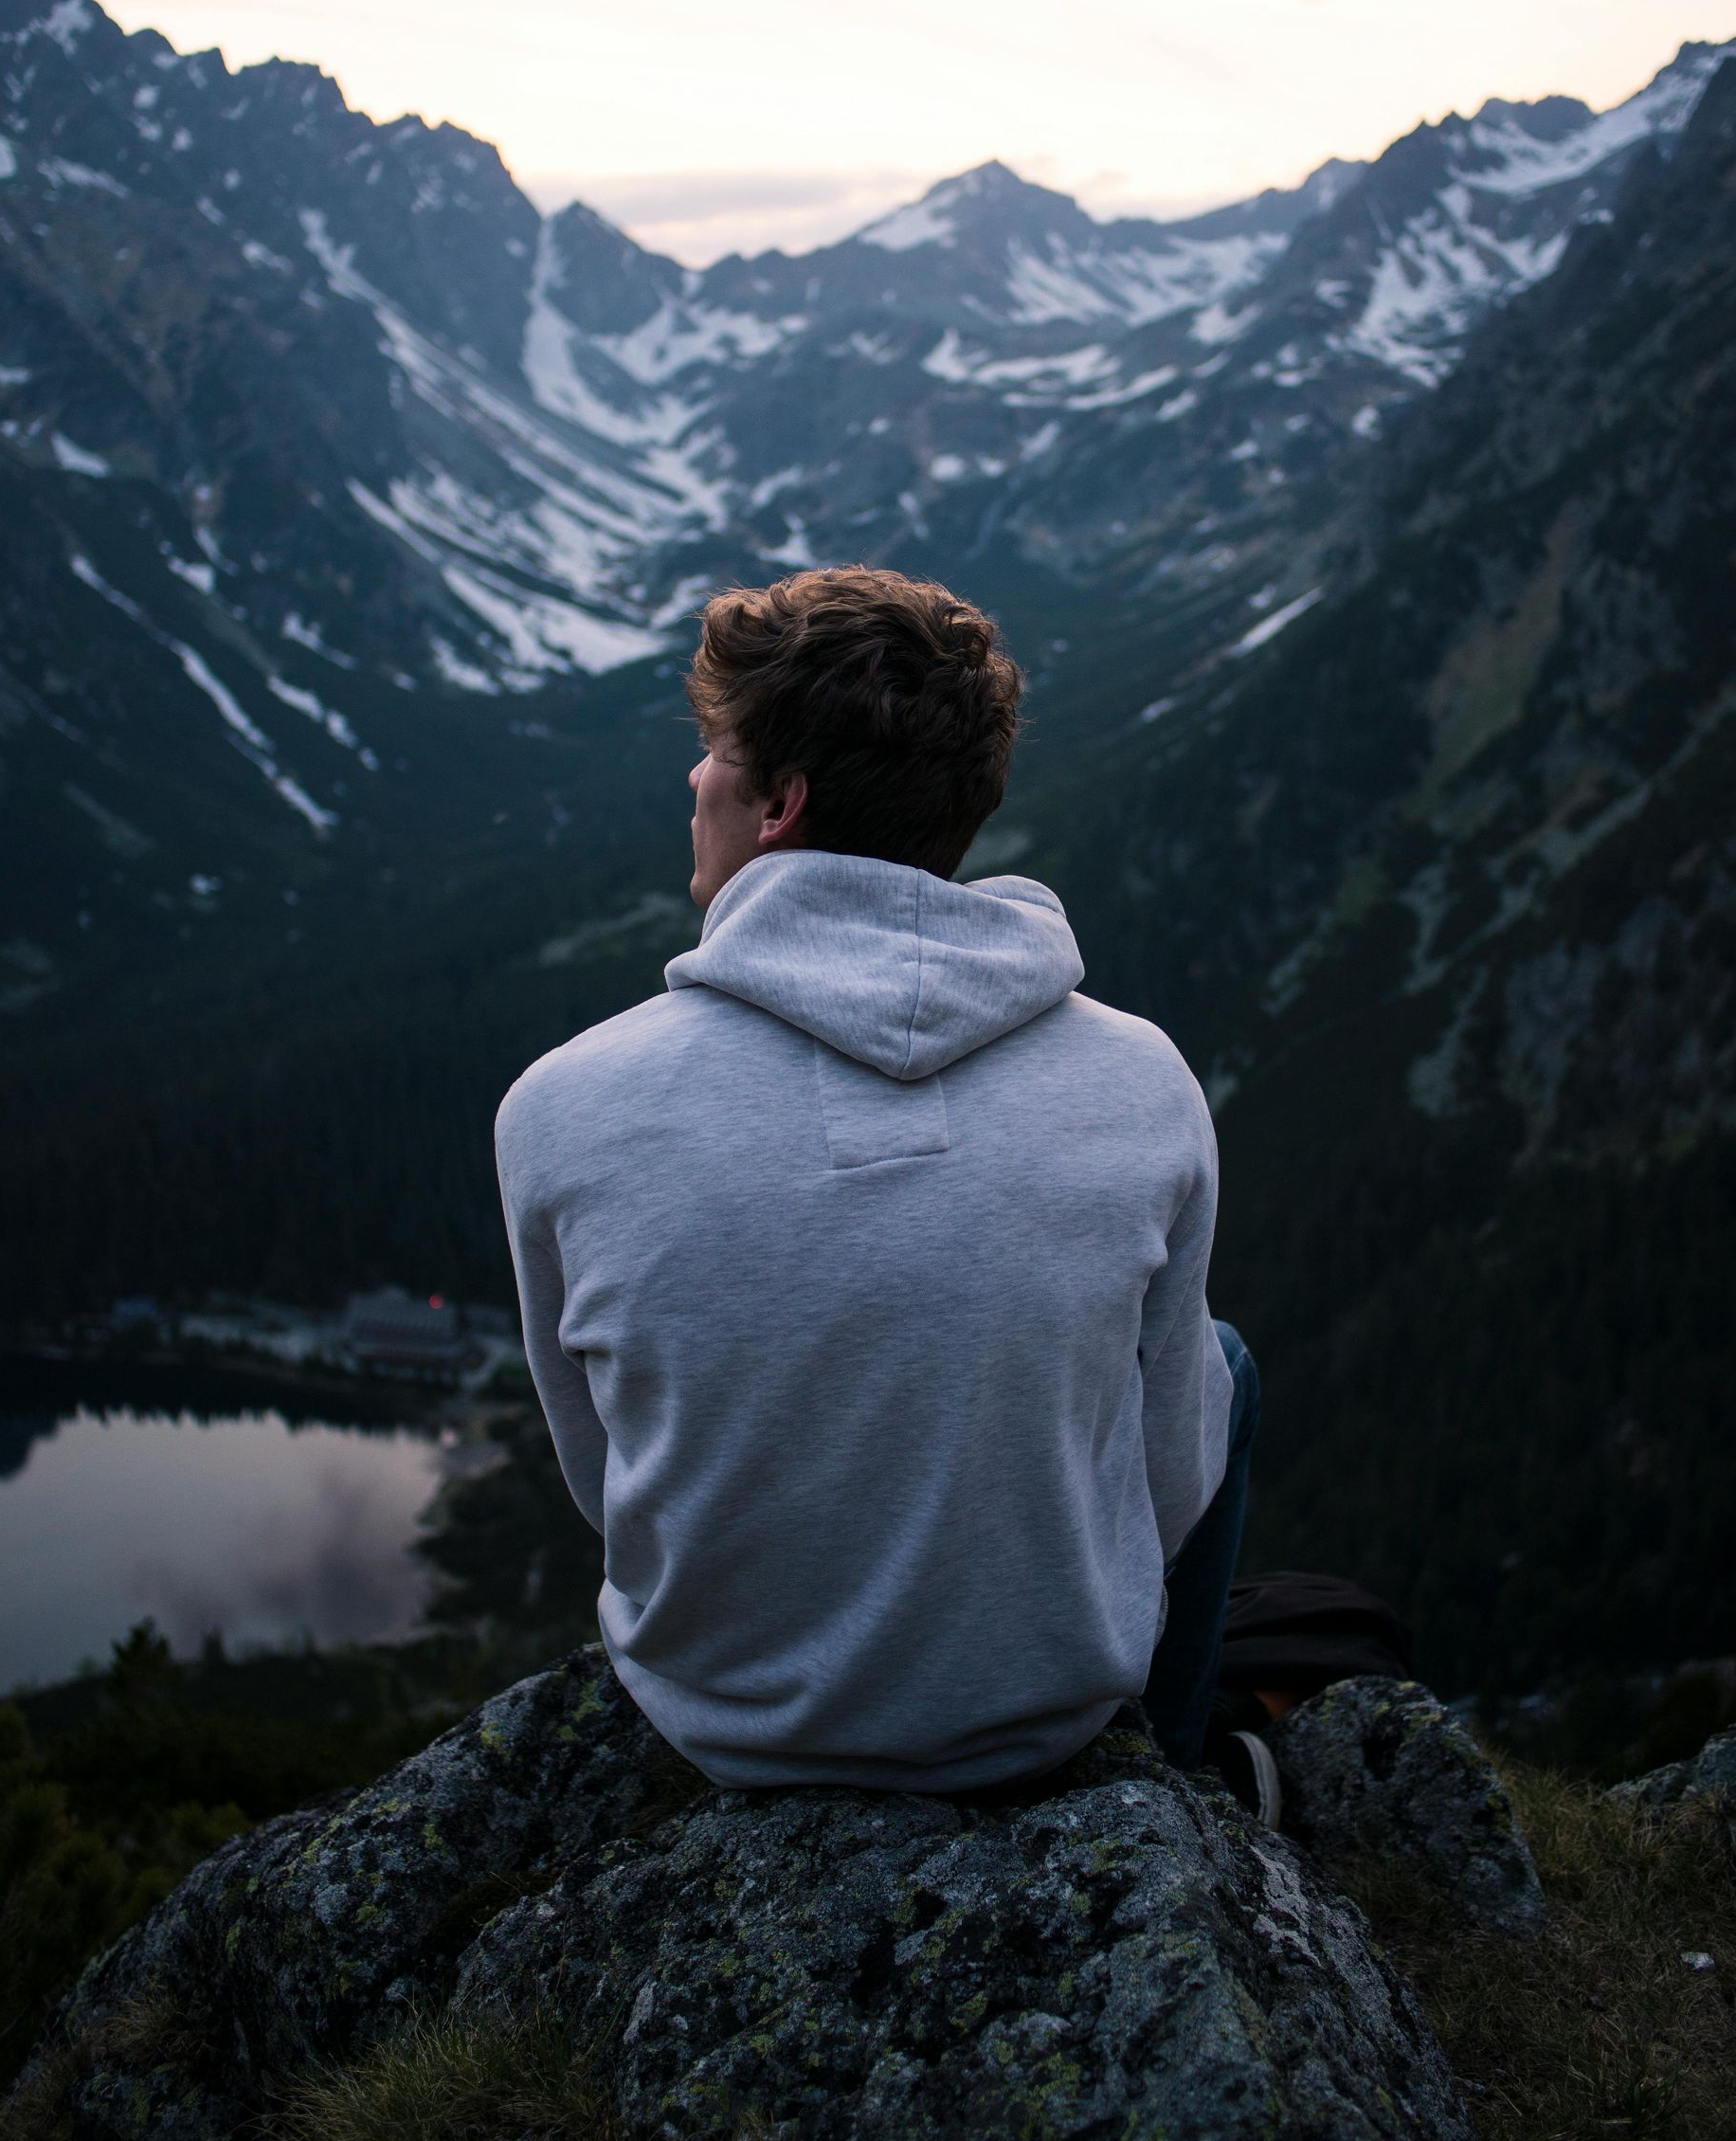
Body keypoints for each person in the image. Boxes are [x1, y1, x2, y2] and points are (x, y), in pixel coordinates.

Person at [495, 565, 1279, 1822]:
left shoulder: (559, 1103)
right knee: (1218, 1361)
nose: (694, 779)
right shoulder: (1141, 1076)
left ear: (781, 804)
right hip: (1045, 1718)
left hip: (727, 1724)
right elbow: (1171, 1481)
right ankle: (1176, 1781)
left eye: (716, 752)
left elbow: (609, 1477)